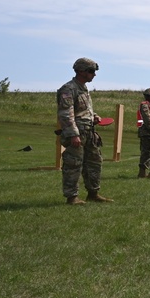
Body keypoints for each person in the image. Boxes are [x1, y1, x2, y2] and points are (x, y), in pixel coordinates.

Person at [57, 58, 112, 205]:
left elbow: (83, 110)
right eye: (91, 71)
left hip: (89, 132)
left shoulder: (84, 89)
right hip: (77, 134)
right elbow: (66, 113)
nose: (94, 75)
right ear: (81, 71)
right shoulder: (68, 89)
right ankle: (72, 197)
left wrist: (94, 117)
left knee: (95, 163)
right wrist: (73, 134)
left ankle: (93, 193)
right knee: (73, 164)